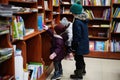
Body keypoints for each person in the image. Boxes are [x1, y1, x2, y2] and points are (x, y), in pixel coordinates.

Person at [69, 1, 89, 79]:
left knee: (78, 59)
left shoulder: (76, 22)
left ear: (75, 13)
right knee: (80, 57)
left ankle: (78, 75)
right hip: (84, 42)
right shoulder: (84, 19)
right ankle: (83, 70)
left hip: (79, 44)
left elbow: (77, 35)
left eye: (72, 12)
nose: (71, 14)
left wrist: (74, 45)